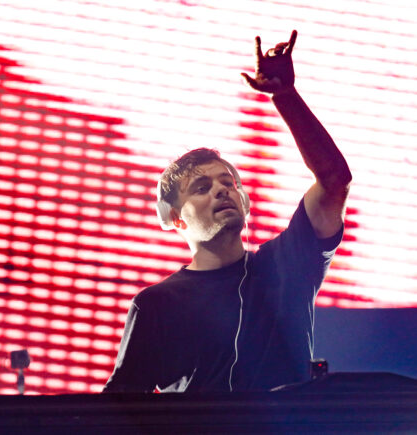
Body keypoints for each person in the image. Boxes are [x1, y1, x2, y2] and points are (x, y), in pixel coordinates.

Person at [103, 30, 352, 393]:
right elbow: (120, 408)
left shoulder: (287, 264)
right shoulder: (156, 304)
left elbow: (334, 181)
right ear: (175, 218)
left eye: (228, 183)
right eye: (201, 188)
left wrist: (285, 96)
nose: (221, 190)